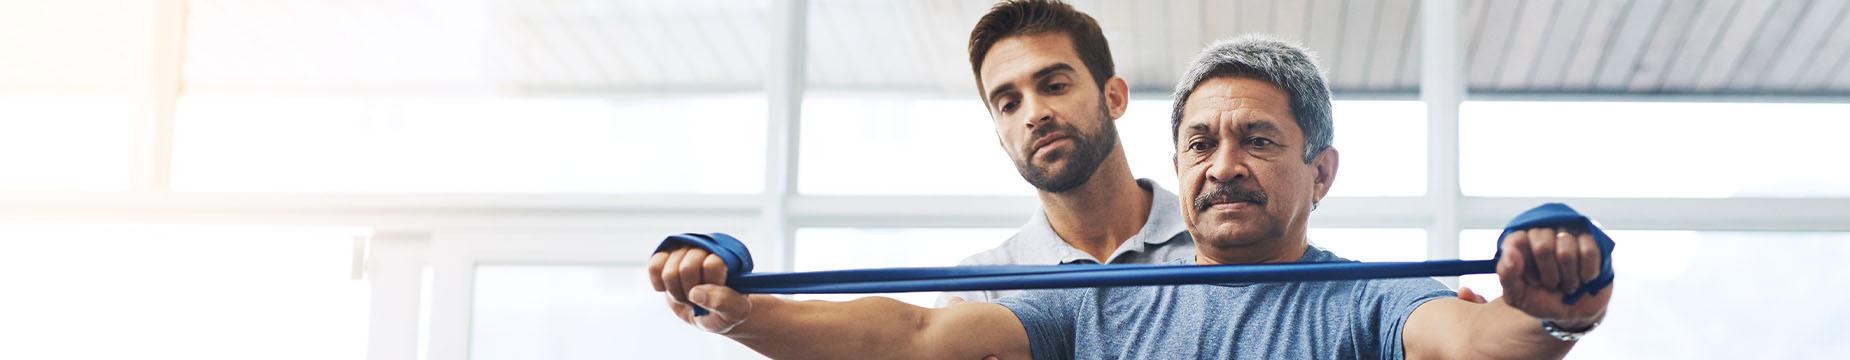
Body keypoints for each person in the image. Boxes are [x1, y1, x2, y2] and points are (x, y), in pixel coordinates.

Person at [647, 33, 1611, 359]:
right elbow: (913, 340)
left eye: (1258, 140)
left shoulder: (1365, 300)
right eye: (1200, 141)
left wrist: (1551, 312)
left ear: (1321, 173)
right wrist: (735, 305)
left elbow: (1473, 341)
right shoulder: (1099, 295)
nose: (1222, 163)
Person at [936, 0, 1193, 307]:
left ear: (1114, 98)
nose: (1034, 114)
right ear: (1001, 140)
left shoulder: (1219, 243)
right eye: (1009, 104)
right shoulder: (980, 292)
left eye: (1055, 86)